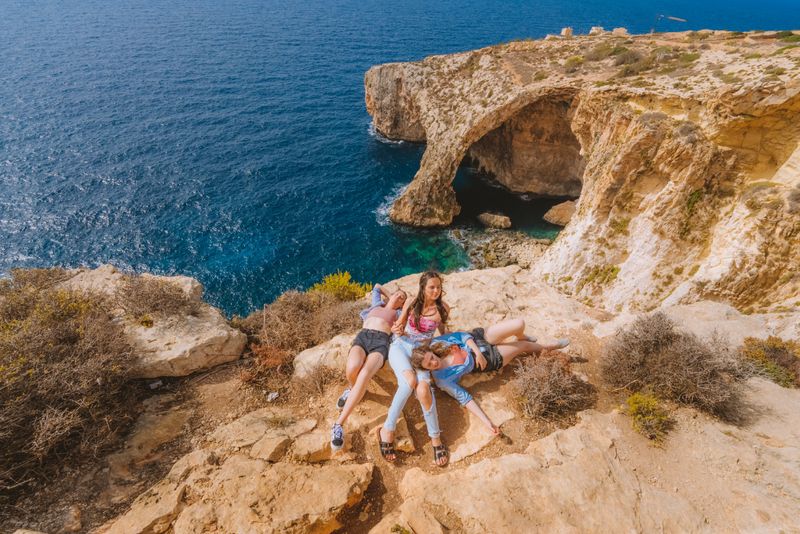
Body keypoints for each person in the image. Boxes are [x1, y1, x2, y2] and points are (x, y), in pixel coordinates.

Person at [410, 318, 569, 436]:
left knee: (518, 324)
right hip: (490, 359)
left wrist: (477, 352)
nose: (434, 362)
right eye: (429, 365)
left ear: (430, 352)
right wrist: (487, 423)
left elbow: (462, 336)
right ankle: (550, 346)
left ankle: (521, 335)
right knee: (523, 347)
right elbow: (464, 398)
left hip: (479, 339)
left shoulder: (435, 344)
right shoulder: (442, 379)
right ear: (426, 370)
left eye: (431, 357)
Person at [378, 271, 450, 466]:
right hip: (401, 345)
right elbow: (398, 327)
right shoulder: (411, 302)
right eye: (431, 287)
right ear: (423, 288)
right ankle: (388, 429)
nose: (436, 291)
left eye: (438, 287)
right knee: (409, 382)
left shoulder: (443, 309)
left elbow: (444, 333)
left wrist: (454, 344)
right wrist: (397, 329)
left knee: (423, 389)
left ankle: (436, 439)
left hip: (422, 354)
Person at [331, 283, 407, 451]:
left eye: (402, 298)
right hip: (363, 337)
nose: (399, 298)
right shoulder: (376, 304)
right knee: (352, 368)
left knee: (364, 373)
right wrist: (392, 296)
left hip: (380, 342)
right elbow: (377, 286)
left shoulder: (399, 313)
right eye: (398, 295)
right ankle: (353, 389)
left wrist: (401, 303)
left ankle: (338, 425)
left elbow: (410, 306)